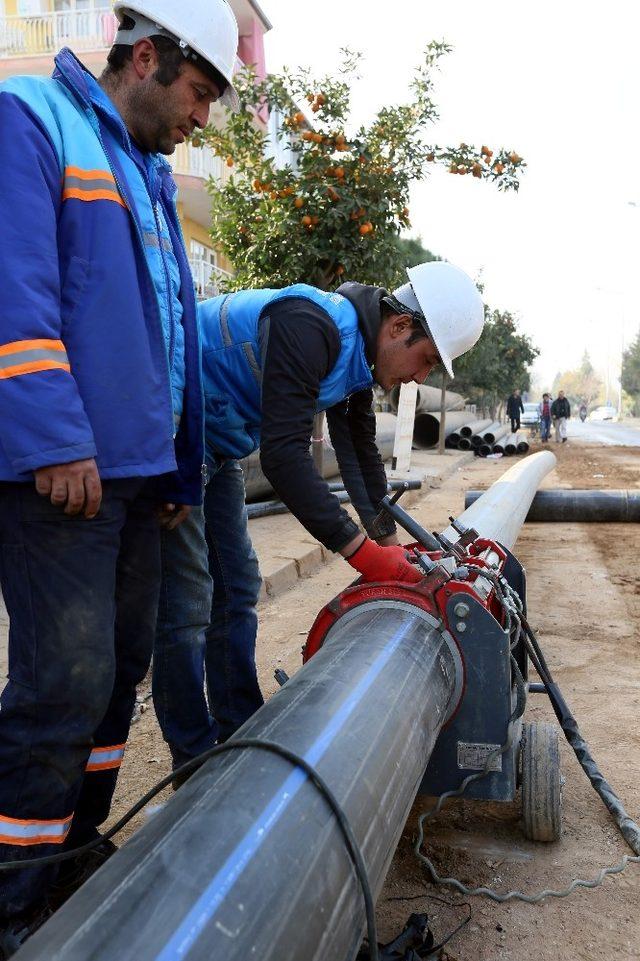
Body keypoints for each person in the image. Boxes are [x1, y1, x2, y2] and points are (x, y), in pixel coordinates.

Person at [0, 1, 239, 953]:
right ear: (146, 57)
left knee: (117, 674)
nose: (201, 120)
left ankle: (71, 846)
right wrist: (57, 437)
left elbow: (173, 334)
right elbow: (16, 291)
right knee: (64, 677)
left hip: (140, 480)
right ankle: (12, 891)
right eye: (198, 94)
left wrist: (180, 466)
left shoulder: (144, 172)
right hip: (64, 474)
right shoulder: (32, 118)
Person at [154, 261, 486, 778]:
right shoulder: (309, 325)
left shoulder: (358, 358)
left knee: (238, 586)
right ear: (399, 327)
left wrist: (391, 544)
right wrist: (363, 554)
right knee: (189, 602)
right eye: (424, 360)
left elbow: (359, 457)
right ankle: (193, 763)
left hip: (216, 443)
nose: (420, 377)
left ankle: (238, 726)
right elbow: (285, 458)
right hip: (171, 432)